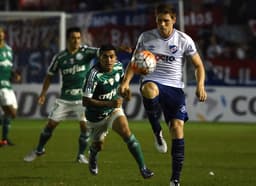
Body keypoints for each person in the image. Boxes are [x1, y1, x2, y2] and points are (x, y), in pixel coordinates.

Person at [119, 3, 207, 186]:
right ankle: (157, 131)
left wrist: (200, 85)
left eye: (166, 21)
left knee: (177, 129)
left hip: (175, 88)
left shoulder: (184, 40)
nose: (162, 25)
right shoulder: (146, 37)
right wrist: (125, 82)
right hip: (153, 81)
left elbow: (198, 65)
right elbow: (135, 62)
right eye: (159, 21)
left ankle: (175, 179)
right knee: (148, 89)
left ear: (174, 20)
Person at [23, 27, 99, 163]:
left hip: (83, 98)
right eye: (73, 38)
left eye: (78, 38)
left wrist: (120, 49)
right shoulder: (60, 57)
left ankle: (81, 155)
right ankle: (39, 149)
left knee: (84, 126)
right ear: (68, 39)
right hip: (65, 98)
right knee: (51, 125)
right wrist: (43, 94)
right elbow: (49, 76)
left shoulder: (86, 52)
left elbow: (103, 51)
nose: (76, 41)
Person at [82, 44, 154, 179]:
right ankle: (93, 153)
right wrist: (110, 102)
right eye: (105, 57)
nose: (108, 60)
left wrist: (126, 92)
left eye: (111, 57)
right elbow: (85, 101)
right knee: (99, 145)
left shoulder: (119, 66)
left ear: (116, 58)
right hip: (95, 116)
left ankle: (143, 168)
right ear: (99, 57)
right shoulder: (93, 75)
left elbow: (122, 84)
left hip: (113, 110)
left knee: (127, 133)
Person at [0, 26, 21, 147]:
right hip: (0, 86)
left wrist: (14, 74)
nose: (0, 35)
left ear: (4, 34)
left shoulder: (8, 49)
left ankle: (4, 140)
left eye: (1, 33)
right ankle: (4, 139)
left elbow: (8, 66)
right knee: (11, 113)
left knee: (11, 113)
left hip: (8, 85)